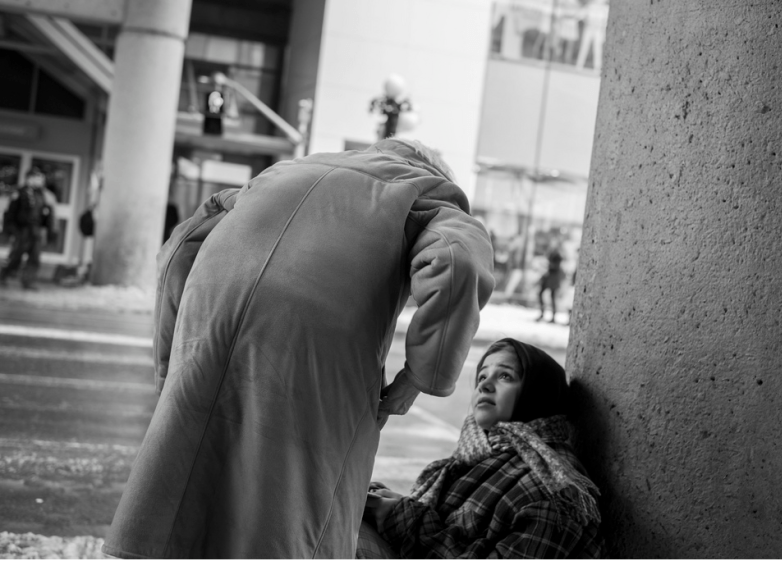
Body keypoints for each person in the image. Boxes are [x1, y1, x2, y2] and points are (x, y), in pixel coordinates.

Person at [102, 138, 495, 558]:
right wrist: (420, 375)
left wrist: (172, 366)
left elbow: (180, 249)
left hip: (212, 312)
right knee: (298, 496)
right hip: (315, 336)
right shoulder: (425, 190)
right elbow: (457, 262)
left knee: (185, 471)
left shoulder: (281, 173)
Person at [359, 338, 602, 558]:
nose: (484, 387)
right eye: (482, 377)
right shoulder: (479, 454)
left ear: (538, 392)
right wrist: (386, 505)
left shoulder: (554, 487)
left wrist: (402, 518)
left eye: (505, 376)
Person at [0, 168, 54, 289]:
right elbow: (10, 213)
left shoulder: (41, 194)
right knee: (16, 255)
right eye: (38, 178)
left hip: (36, 230)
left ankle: (28, 281)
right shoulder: (20, 193)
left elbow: (45, 214)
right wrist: (12, 230)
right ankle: (4, 276)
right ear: (30, 178)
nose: (41, 181)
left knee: (34, 257)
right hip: (22, 229)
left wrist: (47, 229)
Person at [536, 238, 564, 323]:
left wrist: (548, 265)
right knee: (541, 294)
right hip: (548, 277)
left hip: (553, 278)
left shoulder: (558, 254)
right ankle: (542, 313)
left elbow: (556, 266)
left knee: (552, 297)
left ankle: (553, 316)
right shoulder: (551, 252)